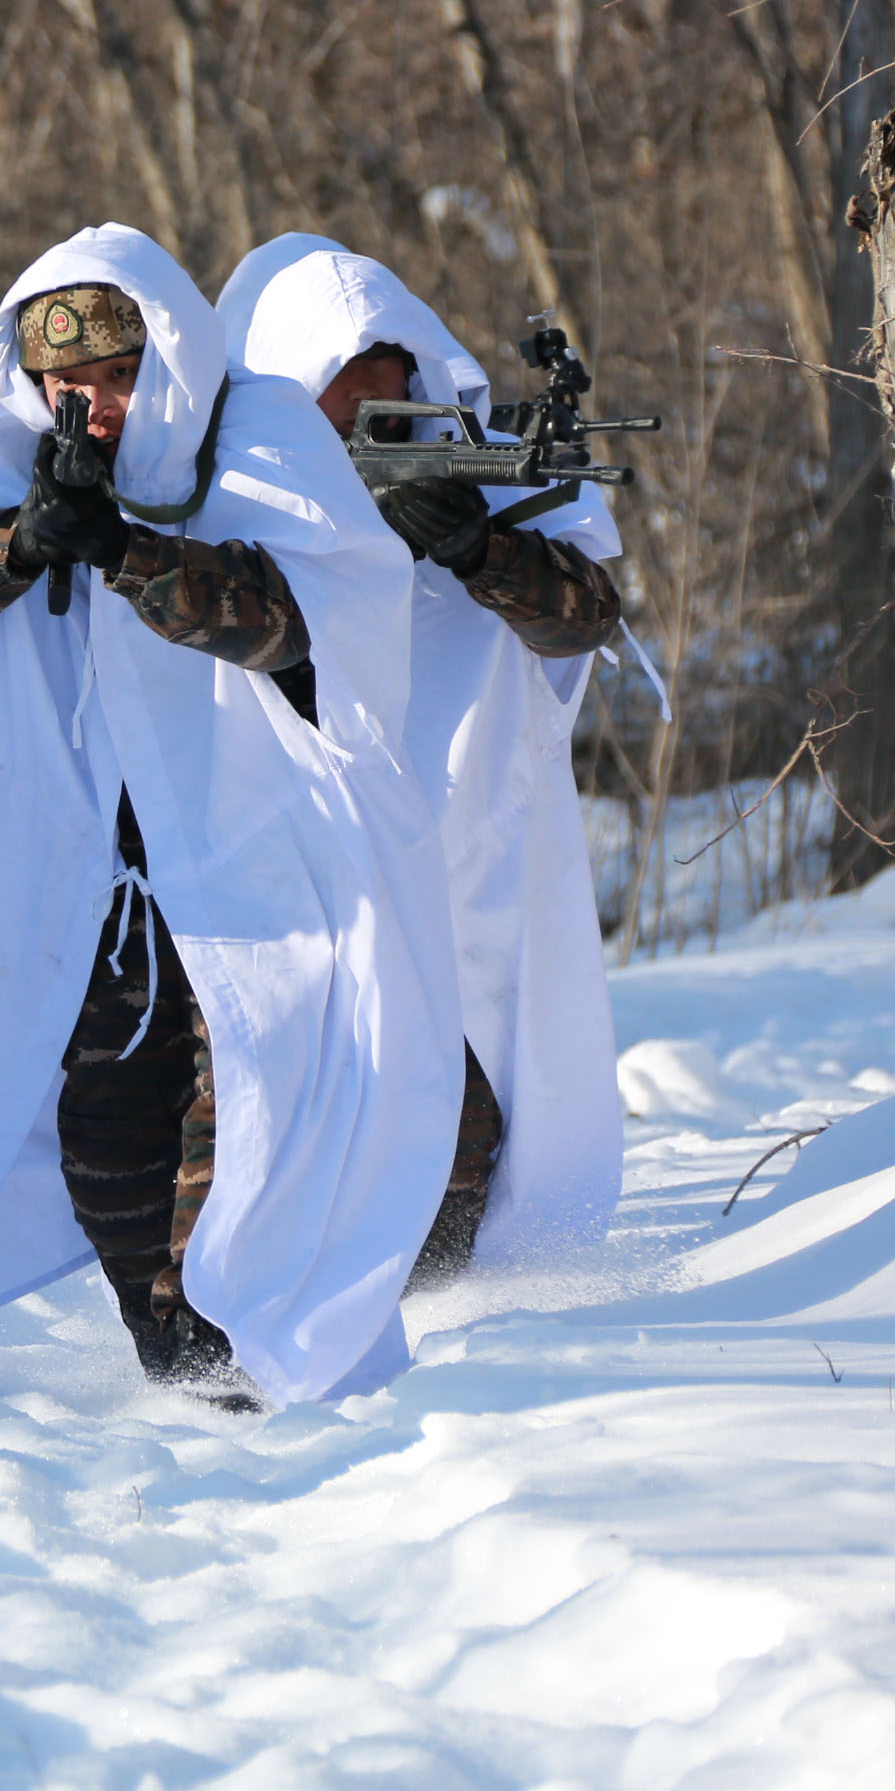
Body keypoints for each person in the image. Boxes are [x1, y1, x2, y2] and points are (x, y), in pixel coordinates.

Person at [0, 224, 461, 1406]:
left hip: (265, 870)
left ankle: (265, 1355)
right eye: (74, 386)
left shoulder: (259, 441)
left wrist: (128, 551)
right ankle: (178, 1360)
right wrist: (23, 538)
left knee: (257, 1105)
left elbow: (299, 620)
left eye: (123, 379)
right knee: (108, 1131)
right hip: (100, 881)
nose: (100, 409)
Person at [218, 234, 626, 1274]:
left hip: (444, 891)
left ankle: (439, 1336)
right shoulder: (220, 513)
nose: (368, 436)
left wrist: (473, 545)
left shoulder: (475, 488)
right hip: (273, 897)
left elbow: (580, 622)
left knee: (448, 1131)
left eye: (389, 413)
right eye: (340, 417)